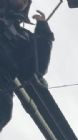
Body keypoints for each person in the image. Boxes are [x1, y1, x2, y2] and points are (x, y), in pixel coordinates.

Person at [0, 0, 54, 132]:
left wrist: (43, 31)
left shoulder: (24, 36)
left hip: (2, 85)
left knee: (4, 107)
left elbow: (36, 69)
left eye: (26, 1)